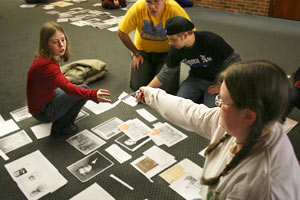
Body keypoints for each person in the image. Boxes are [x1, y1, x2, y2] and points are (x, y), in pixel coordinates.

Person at [136, 60, 300, 199]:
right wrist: (151, 94)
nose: (218, 104)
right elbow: (192, 114)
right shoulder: (253, 124)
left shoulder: (259, 185)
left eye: (222, 100)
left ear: (248, 115)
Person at [26, 22, 111, 137]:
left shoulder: (44, 56)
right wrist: (93, 94)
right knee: (83, 90)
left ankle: (57, 116)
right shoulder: (47, 66)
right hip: (43, 112)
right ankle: (61, 128)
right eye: (55, 42)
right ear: (46, 44)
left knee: (73, 87)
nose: (61, 45)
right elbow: (67, 87)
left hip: (40, 102)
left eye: (63, 39)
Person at [147, 16, 241, 107]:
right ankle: (200, 96)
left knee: (209, 113)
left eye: (173, 39)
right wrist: (145, 90)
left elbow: (236, 65)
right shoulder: (176, 49)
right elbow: (165, 73)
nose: (170, 43)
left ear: (185, 35)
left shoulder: (211, 40)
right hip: (195, 79)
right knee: (178, 105)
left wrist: (223, 86)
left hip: (216, 81)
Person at [118, 0, 193, 94]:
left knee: (166, 92)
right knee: (137, 87)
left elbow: (190, 33)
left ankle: (157, 70)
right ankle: (149, 68)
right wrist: (136, 53)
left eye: (156, 2)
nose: (152, 7)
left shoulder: (174, 8)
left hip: (167, 54)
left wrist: (177, 55)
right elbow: (121, 32)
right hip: (143, 52)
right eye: (148, 2)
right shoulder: (138, 7)